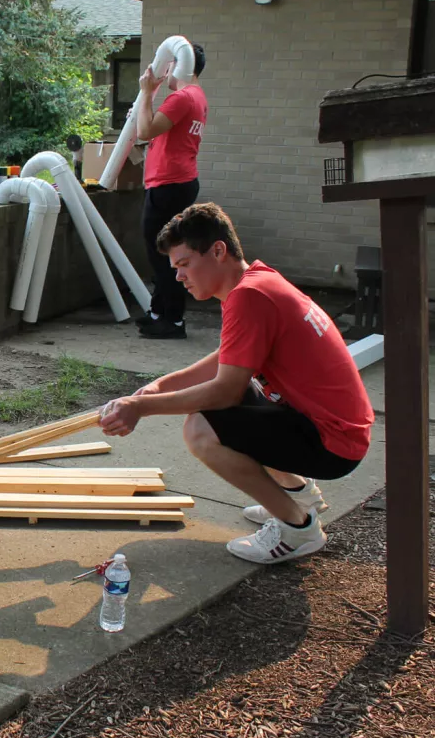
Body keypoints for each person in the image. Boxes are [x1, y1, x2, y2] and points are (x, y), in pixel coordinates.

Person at [100, 203, 374, 564]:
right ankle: (299, 495)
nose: (179, 276)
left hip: (334, 442)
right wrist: (157, 387)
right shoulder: (259, 281)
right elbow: (225, 362)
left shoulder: (249, 297)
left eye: (184, 264)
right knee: (223, 400)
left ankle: (298, 528)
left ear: (218, 250)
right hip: (336, 428)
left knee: (201, 428)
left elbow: (224, 391)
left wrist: (142, 408)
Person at [134, 41, 207, 340]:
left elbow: (144, 131)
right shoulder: (197, 96)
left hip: (169, 185)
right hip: (177, 182)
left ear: (181, 65)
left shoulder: (182, 98)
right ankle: (159, 312)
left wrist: (146, 92)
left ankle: (173, 320)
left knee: (162, 253)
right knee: (163, 251)